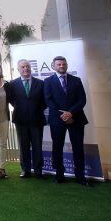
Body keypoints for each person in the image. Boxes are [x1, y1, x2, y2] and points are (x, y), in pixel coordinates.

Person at [43, 56, 90, 186]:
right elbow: (48, 100)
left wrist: (70, 113)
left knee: (78, 147)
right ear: (54, 66)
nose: (62, 66)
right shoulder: (48, 81)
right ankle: (59, 174)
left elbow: (82, 100)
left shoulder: (76, 80)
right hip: (57, 119)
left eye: (64, 64)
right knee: (57, 147)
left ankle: (80, 176)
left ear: (67, 65)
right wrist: (63, 115)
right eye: (59, 64)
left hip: (76, 118)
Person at [9, 59, 47, 178]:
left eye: (27, 66)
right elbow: (11, 99)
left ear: (30, 68)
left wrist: (35, 109)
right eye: (23, 67)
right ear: (19, 69)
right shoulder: (12, 84)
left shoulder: (40, 83)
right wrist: (22, 108)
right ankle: (25, 170)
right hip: (21, 120)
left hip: (37, 119)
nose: (25, 69)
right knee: (23, 146)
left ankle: (38, 170)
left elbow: (45, 101)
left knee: (37, 146)